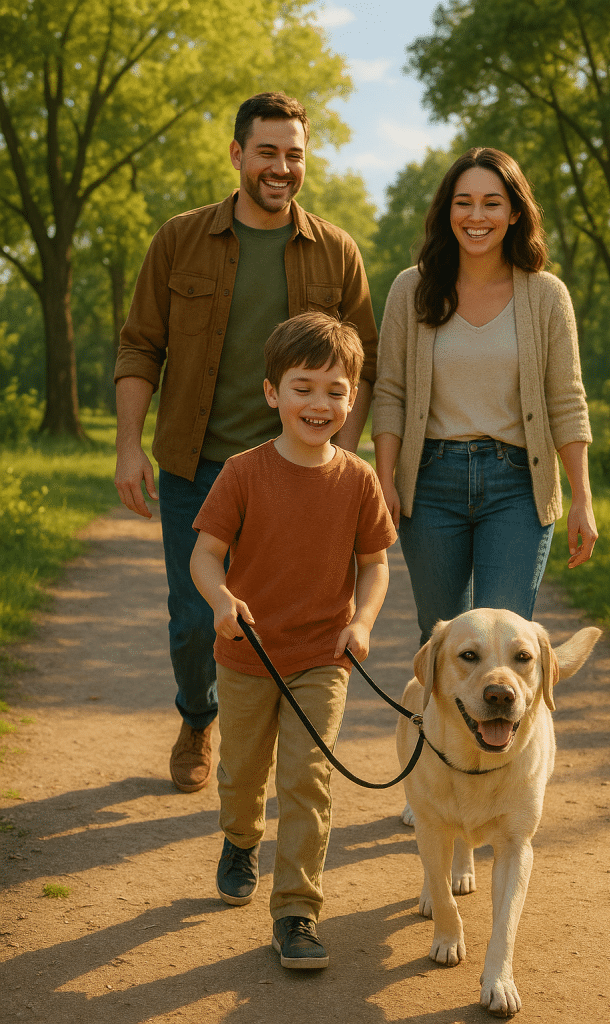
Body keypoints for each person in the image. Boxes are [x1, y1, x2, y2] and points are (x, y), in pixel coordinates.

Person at [113, 92, 377, 794]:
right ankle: (197, 716)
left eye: (293, 154)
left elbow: (362, 366)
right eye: (267, 152)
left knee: (295, 614)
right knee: (196, 616)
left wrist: (343, 461)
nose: (280, 167)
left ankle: (275, 739)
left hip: (297, 475)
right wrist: (128, 447)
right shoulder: (179, 239)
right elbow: (140, 346)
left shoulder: (336, 251)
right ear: (237, 155)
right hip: (196, 466)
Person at [189, 311, 396, 968]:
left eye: (335, 390)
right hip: (246, 654)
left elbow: (376, 564)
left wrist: (360, 622)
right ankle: (241, 839)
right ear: (272, 393)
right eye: (303, 387)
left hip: (321, 660)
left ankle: (297, 912)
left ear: (352, 398)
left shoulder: (358, 479)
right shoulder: (244, 472)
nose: (319, 403)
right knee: (243, 774)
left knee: (308, 779)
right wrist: (221, 599)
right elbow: (204, 555)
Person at [372, 147, 597, 647]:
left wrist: (582, 496)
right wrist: (385, 480)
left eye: (491, 203)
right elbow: (390, 392)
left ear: (515, 213)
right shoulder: (412, 289)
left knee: (506, 643)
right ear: (446, 211)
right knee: (444, 643)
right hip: (429, 485)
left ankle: (507, 731)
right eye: (463, 202)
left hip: (516, 485)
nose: (476, 217)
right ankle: (437, 730)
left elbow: (567, 400)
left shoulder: (546, 295)